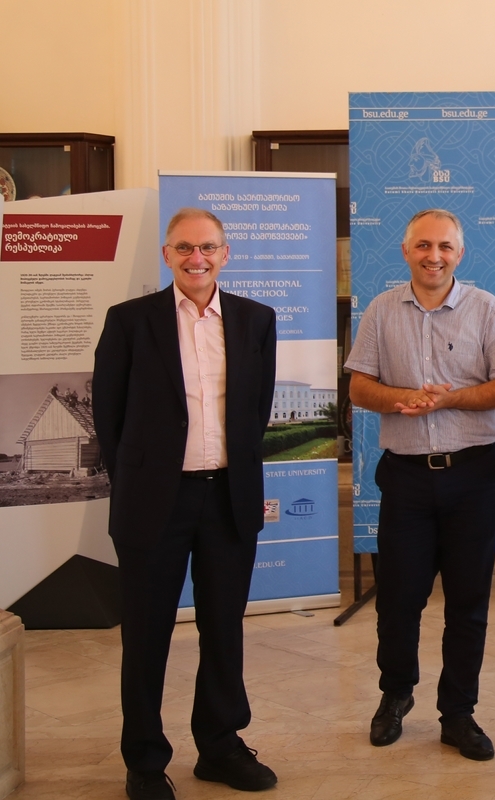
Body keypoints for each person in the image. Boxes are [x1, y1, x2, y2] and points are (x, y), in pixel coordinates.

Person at [93, 208, 278, 800]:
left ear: (225, 253)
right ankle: (146, 761)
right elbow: (108, 416)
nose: (196, 258)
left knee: (223, 628)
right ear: (167, 255)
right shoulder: (130, 321)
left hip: (228, 497)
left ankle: (220, 746)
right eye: (184, 248)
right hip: (155, 502)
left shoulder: (256, 319)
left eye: (207, 247)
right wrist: (140, 482)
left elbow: (256, 410)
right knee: (147, 634)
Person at [345, 208, 495, 761]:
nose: (434, 256)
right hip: (405, 479)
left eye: (445, 246)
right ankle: (395, 695)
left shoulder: (486, 309)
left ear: (459, 253)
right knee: (398, 600)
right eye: (423, 245)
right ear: (406, 251)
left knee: (468, 602)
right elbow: (359, 387)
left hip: (474, 475)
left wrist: (450, 399)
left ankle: (458, 713)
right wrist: (401, 397)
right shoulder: (380, 311)